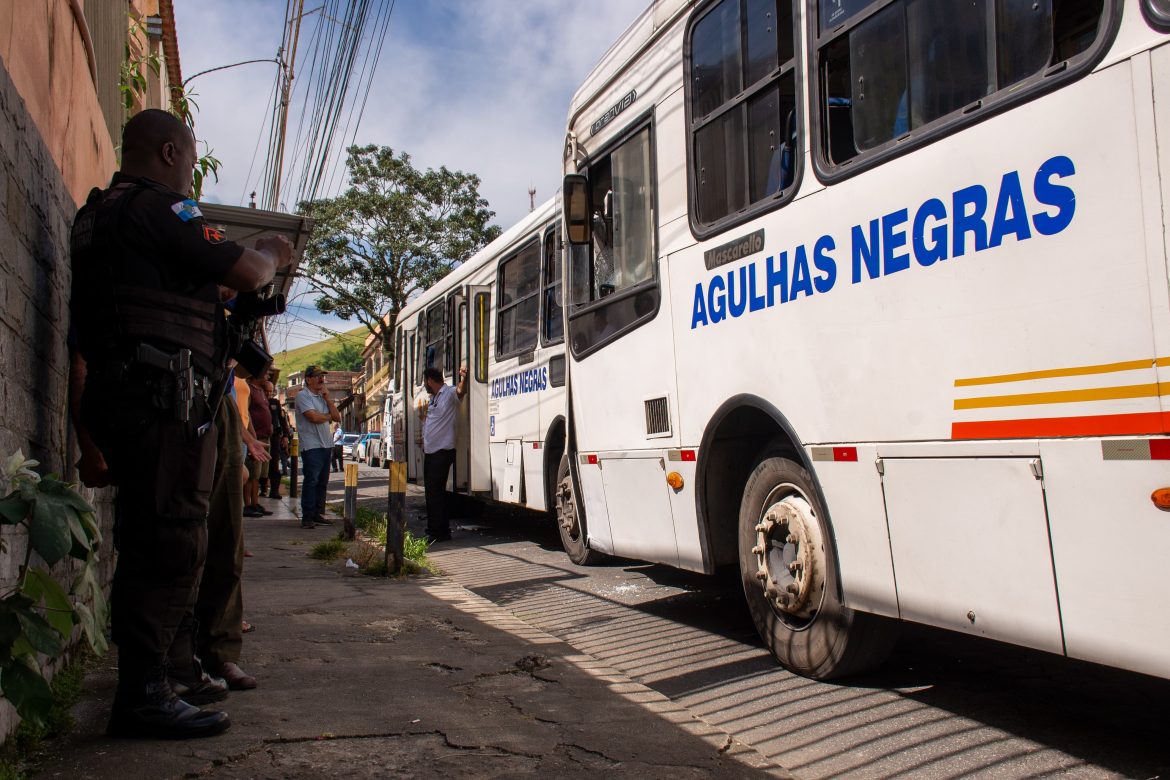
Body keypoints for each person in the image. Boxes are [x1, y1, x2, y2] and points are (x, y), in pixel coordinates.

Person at [69, 109, 291, 739]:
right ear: (170, 152)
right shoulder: (162, 209)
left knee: (152, 541)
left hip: (124, 396)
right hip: (157, 401)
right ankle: (144, 695)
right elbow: (246, 271)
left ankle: (170, 673)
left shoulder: (97, 217)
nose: (192, 174)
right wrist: (271, 251)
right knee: (170, 544)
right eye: (191, 161)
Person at [420, 366, 467, 543]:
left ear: (430, 381)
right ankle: (441, 530)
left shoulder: (447, 393)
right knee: (435, 493)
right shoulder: (434, 398)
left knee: (434, 494)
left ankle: (436, 531)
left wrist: (464, 378)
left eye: (425, 382)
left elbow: (460, 391)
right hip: (432, 451)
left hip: (442, 451)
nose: (425, 385)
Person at [295, 366, 340, 528]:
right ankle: (307, 516)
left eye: (322, 376)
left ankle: (317, 513)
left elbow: (337, 417)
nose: (321, 379)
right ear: (308, 379)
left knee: (322, 481)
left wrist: (328, 399)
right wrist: (327, 417)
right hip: (311, 445)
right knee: (311, 480)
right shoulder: (302, 396)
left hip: (326, 444)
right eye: (317, 376)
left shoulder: (322, 398)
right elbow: (312, 417)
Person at [243, 374, 273, 517]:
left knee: (260, 474)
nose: (267, 376)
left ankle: (255, 502)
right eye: (265, 373)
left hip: (265, 437)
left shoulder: (261, 391)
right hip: (255, 437)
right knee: (251, 474)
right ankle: (248, 504)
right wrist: (252, 437)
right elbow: (246, 413)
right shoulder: (249, 389)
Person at [264, 380, 289, 499]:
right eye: (266, 391)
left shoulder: (275, 403)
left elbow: (282, 420)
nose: (268, 393)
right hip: (261, 436)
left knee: (274, 464)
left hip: (274, 437)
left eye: (270, 391)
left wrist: (285, 436)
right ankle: (263, 488)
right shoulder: (258, 401)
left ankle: (274, 491)